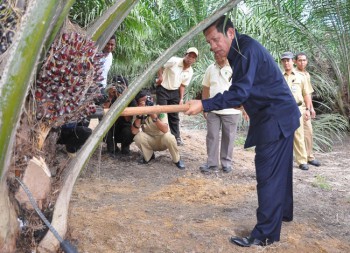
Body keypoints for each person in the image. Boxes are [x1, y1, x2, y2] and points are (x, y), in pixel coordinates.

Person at [184, 15, 300, 247]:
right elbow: (249, 89)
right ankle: (283, 214)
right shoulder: (240, 51)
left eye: (216, 39)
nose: (213, 46)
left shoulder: (245, 50)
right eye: (209, 43)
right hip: (281, 114)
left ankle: (265, 233)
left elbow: (239, 92)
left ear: (230, 32)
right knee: (280, 172)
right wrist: (242, 100)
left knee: (268, 175)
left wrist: (204, 104)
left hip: (275, 118)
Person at [200, 54, 241, 174]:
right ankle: (212, 163)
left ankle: (226, 163)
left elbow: (241, 89)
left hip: (231, 110)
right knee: (212, 136)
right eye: (215, 53)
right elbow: (206, 88)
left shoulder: (235, 68)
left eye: (220, 52)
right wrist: (205, 107)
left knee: (229, 137)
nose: (217, 55)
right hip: (213, 110)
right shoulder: (210, 68)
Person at [131, 89, 185, 169]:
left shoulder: (159, 109)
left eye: (147, 100)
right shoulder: (139, 111)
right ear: (139, 103)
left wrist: (154, 116)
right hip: (149, 139)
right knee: (138, 137)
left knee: (169, 137)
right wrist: (140, 115)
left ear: (152, 99)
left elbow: (165, 129)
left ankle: (177, 159)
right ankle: (148, 156)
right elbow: (134, 131)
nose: (146, 103)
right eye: (142, 102)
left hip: (162, 140)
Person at [155, 47, 198, 146]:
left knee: (174, 115)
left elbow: (183, 85)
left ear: (194, 60)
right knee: (162, 113)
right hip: (163, 89)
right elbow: (159, 64)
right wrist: (160, 77)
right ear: (185, 54)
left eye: (193, 57)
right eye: (189, 55)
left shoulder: (190, 71)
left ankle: (176, 136)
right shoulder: (174, 61)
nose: (190, 58)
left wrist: (181, 98)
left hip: (175, 92)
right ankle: (161, 134)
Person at [281, 52, 313, 171]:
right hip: (283, 109)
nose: (286, 63)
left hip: (297, 108)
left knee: (298, 134)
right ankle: (284, 160)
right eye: (284, 61)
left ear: (292, 61)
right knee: (283, 135)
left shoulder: (301, 77)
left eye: (288, 60)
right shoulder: (279, 77)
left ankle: (302, 161)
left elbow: (306, 94)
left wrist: (308, 109)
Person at [294, 52, 321, 167]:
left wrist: (311, 108)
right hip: (297, 108)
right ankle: (302, 159)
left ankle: (310, 156)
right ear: (295, 61)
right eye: (300, 60)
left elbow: (307, 93)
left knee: (308, 132)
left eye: (304, 60)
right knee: (298, 134)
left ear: (307, 61)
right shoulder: (293, 74)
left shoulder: (306, 74)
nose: (302, 62)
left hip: (306, 109)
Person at [105, 75, 136, 156]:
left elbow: (128, 119)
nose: (119, 89)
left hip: (124, 128)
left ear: (126, 87)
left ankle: (125, 147)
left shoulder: (131, 99)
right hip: (111, 128)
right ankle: (112, 148)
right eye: (116, 86)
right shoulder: (109, 96)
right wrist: (110, 97)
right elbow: (104, 115)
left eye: (121, 86)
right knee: (105, 129)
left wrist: (122, 100)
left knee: (128, 131)